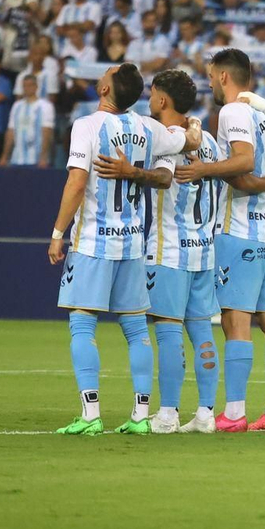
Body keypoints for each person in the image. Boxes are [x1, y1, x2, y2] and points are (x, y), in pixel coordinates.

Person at [47, 62, 193, 435]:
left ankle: (91, 415)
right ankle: (140, 417)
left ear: (105, 91)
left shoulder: (87, 126)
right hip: (132, 243)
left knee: (82, 324)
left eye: (106, 74)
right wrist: (193, 129)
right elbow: (186, 141)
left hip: (94, 241)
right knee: (135, 329)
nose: (101, 76)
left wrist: (57, 231)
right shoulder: (148, 127)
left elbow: (77, 183)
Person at [92, 68, 222, 435]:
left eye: (152, 95)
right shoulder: (207, 140)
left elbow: (163, 178)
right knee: (203, 333)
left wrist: (128, 170)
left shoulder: (167, 138)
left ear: (163, 100)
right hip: (204, 249)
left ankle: (167, 414)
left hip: (170, 251)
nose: (148, 100)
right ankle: (206, 413)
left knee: (167, 331)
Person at [176, 49, 265, 434]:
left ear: (225, 77)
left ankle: (235, 413)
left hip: (241, 231)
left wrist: (203, 171)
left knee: (235, 320)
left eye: (211, 76)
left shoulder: (233, 111)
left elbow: (243, 160)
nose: (209, 82)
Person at [1, 73, 56, 167]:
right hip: (17, 158)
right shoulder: (17, 106)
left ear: (36, 86)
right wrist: (4, 156)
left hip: (36, 159)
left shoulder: (45, 106)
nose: (27, 88)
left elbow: (47, 132)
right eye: (24, 86)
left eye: (30, 85)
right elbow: (11, 131)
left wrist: (43, 157)